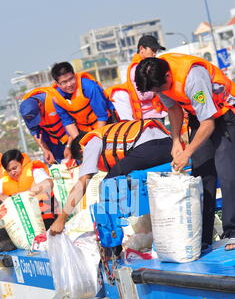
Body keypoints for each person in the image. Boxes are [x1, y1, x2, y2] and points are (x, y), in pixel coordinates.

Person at [134, 53, 235, 251]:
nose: (159, 92)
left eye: (159, 89)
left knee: (227, 172)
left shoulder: (193, 78)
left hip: (224, 115)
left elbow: (209, 124)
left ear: (168, 78)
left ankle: (232, 231)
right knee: (200, 175)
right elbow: (174, 109)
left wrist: (187, 152)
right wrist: (176, 142)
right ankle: (203, 236)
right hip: (201, 117)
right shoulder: (158, 79)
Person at [49, 119, 172, 235]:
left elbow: (82, 184)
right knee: (133, 183)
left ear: (82, 151)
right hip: (168, 145)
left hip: (147, 148)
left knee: (107, 186)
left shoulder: (90, 142)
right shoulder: (108, 135)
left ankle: (112, 241)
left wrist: (61, 219)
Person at [50, 62, 116, 159]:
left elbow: (102, 115)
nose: (69, 84)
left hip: (105, 125)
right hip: (83, 131)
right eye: (64, 82)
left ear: (74, 75)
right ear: (57, 84)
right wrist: (80, 143)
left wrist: (96, 139)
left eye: (71, 79)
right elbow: (67, 122)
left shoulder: (90, 87)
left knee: (108, 155)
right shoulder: (57, 98)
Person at [0, 149, 56, 230]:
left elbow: (49, 184)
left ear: (21, 162)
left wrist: (24, 194)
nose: (13, 172)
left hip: (43, 219)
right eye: (9, 170)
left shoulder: (35, 172)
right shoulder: (4, 180)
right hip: (21, 222)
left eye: (15, 168)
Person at [105, 35, 167, 121]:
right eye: (152, 50)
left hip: (158, 113)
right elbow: (142, 95)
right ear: (141, 49)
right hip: (149, 117)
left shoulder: (151, 66)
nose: (155, 53)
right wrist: (160, 89)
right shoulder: (136, 69)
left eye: (156, 50)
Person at [19, 87, 69, 165]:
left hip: (70, 137)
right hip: (52, 142)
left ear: (39, 104)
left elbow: (70, 122)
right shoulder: (26, 111)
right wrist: (45, 150)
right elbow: (35, 132)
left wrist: (69, 145)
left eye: (37, 116)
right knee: (56, 168)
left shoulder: (54, 100)